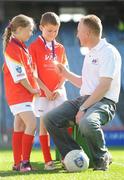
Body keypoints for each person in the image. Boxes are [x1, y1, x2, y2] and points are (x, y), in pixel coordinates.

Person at [43, 14, 121, 171]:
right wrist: (65, 73)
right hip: (85, 99)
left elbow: (104, 86)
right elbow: (84, 83)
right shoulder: (89, 53)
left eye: (79, 31)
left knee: (87, 122)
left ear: (88, 33)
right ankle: (75, 154)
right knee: (49, 118)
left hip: (104, 102)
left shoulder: (108, 52)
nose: (77, 34)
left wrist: (83, 108)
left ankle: (102, 158)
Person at [29, 12, 71, 170]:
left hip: (59, 92)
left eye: (55, 31)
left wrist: (59, 88)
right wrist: (45, 90)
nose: (52, 34)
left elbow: (65, 72)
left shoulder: (60, 48)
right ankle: (48, 161)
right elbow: (32, 73)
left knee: (65, 122)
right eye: (49, 31)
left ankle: (67, 156)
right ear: (41, 28)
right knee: (44, 126)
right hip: (43, 94)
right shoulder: (33, 47)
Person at [3, 14, 40, 172]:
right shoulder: (12, 47)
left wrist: (34, 88)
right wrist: (32, 89)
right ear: (18, 29)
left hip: (23, 94)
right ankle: (25, 162)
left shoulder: (21, 47)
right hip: (19, 94)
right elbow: (20, 76)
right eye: (29, 30)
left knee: (19, 126)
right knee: (32, 124)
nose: (31, 33)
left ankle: (17, 163)